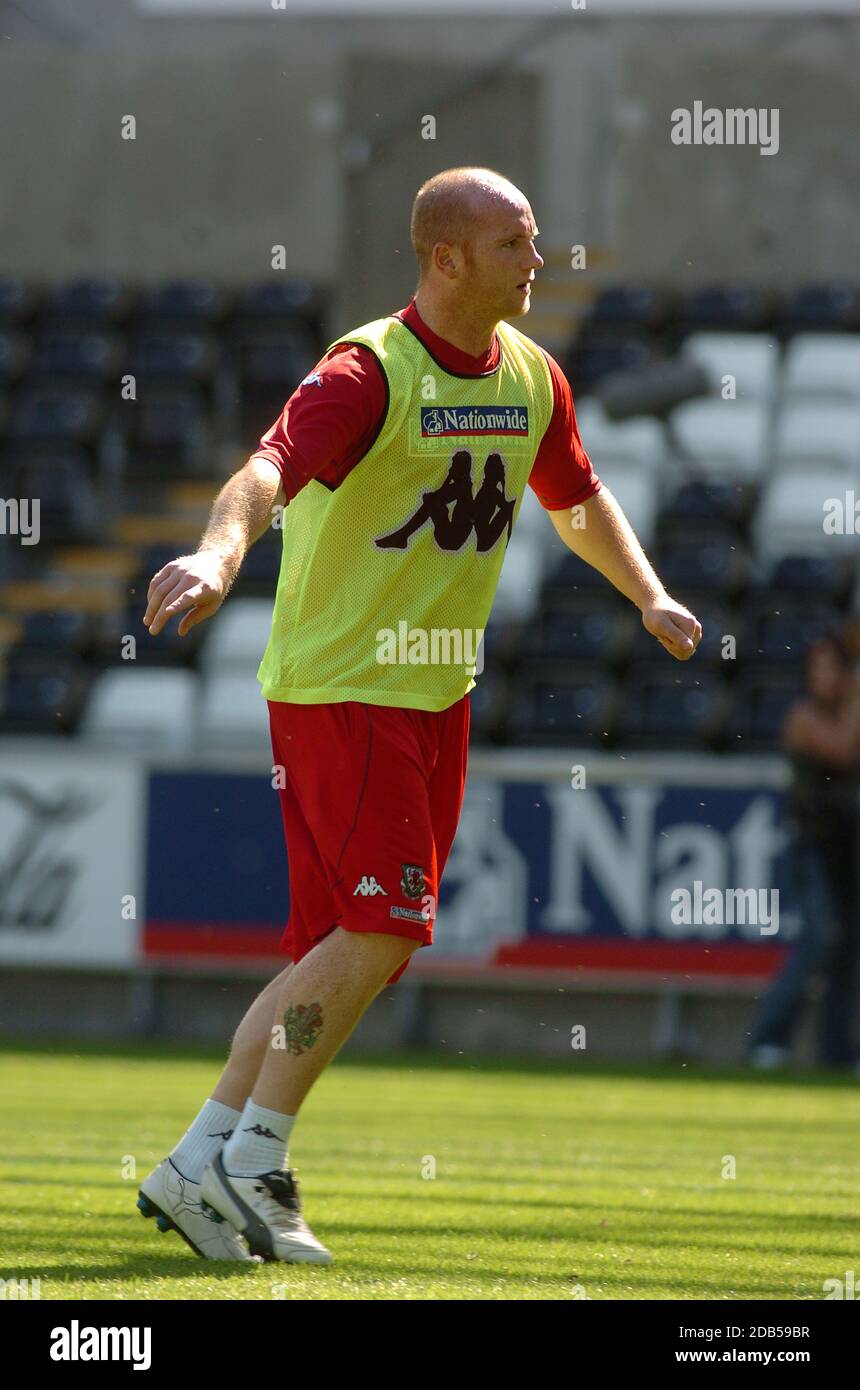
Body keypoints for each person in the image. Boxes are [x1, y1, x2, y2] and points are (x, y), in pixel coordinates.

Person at [136, 166, 702, 1263]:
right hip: (344, 686)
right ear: (443, 259)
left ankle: (194, 1162)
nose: (538, 260)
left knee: (345, 948)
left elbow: (574, 499)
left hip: (434, 691)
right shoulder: (367, 370)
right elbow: (266, 470)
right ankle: (258, 1157)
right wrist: (215, 553)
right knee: (387, 924)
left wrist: (645, 591)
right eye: (514, 243)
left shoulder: (532, 374)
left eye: (533, 240)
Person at [747, 633, 860, 1070]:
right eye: (816, 670)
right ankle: (767, 1040)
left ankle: (837, 1053)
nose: (823, 679)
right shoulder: (802, 717)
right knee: (821, 935)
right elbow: (842, 749)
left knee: (849, 948)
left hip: (847, 845)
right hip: (811, 843)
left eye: (832, 669)